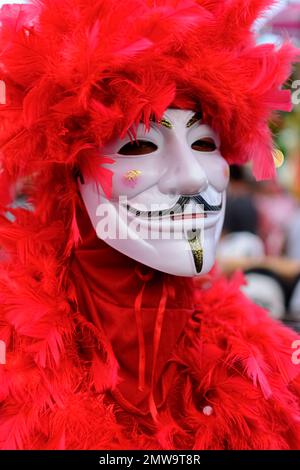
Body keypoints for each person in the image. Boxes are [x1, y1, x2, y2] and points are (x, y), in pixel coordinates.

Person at [0, 0, 300, 450]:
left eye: (205, 142)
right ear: (72, 174)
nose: (193, 176)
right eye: (140, 145)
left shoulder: (267, 365)